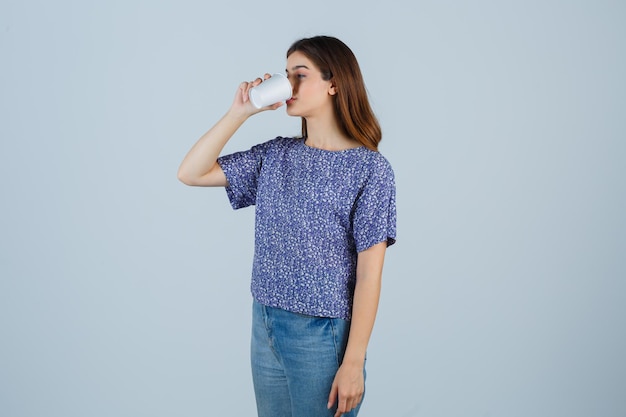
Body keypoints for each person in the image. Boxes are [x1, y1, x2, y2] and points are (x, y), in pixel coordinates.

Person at [178, 35, 396, 417]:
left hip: (321, 333)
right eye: (286, 74)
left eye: (301, 74)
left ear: (334, 83)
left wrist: (353, 362)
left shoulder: (370, 170)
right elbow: (191, 173)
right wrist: (239, 113)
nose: (288, 85)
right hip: (265, 323)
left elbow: (369, 276)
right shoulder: (276, 154)